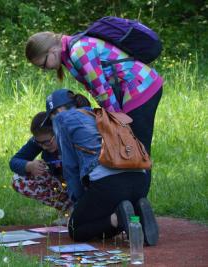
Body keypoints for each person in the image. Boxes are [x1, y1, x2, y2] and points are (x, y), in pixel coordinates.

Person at [25, 31, 163, 192]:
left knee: (137, 153)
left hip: (140, 88)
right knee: (130, 152)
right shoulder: (70, 54)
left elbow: (102, 90)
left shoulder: (78, 51)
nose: (44, 69)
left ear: (52, 50)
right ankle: (131, 205)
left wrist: (118, 120)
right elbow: (96, 89)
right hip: (130, 93)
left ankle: (138, 209)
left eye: (43, 64)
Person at [44, 89, 159, 245]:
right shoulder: (104, 112)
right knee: (113, 206)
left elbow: (70, 168)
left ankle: (117, 218)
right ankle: (137, 214)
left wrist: (79, 203)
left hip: (110, 185)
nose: (52, 124)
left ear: (57, 111)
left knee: (76, 228)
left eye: (51, 118)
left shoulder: (62, 119)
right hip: (140, 180)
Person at [9, 111, 71, 223]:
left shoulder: (72, 138)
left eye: (47, 142)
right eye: (39, 143)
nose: (43, 147)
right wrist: (29, 165)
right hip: (62, 184)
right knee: (18, 180)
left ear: (58, 132)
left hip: (82, 186)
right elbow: (14, 161)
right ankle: (68, 209)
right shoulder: (40, 141)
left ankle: (81, 210)